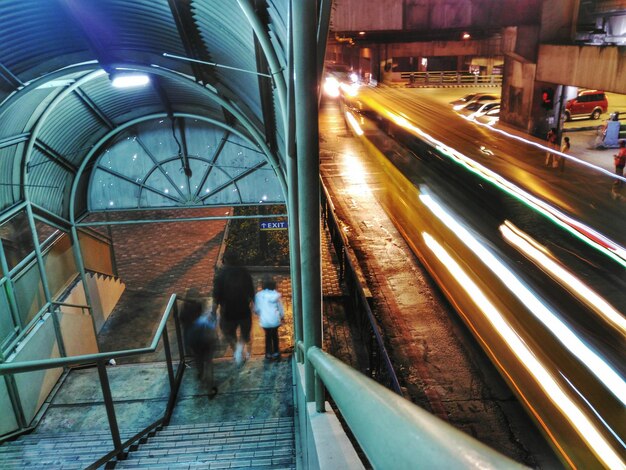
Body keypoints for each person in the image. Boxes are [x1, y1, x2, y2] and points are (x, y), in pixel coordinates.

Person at [212, 253, 255, 365]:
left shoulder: (220, 275)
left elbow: (216, 297)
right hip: (243, 310)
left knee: (228, 333)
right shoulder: (244, 272)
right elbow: (251, 291)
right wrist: (255, 306)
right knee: (245, 332)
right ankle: (240, 348)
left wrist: (213, 311)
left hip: (227, 311)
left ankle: (236, 351)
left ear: (225, 261)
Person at [179, 291, 218, 398]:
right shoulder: (202, 320)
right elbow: (212, 326)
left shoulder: (185, 317)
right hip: (205, 340)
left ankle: (200, 374)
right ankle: (210, 389)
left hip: (192, 340)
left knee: (198, 358)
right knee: (208, 363)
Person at [254, 277, 285, 361]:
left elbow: (256, 309)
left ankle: (268, 353)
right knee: (275, 335)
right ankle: (276, 352)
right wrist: (282, 317)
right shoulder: (276, 295)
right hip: (275, 320)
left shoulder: (258, 295)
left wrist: (259, 314)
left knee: (267, 336)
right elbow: (280, 308)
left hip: (265, 321)